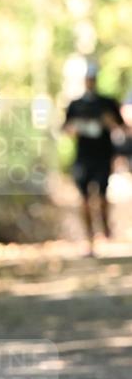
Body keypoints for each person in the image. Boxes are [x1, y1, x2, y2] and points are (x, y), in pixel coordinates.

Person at [63, 64, 125, 253]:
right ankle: (89, 238)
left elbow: (121, 128)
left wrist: (109, 122)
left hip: (103, 156)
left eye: (93, 78)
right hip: (83, 158)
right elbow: (65, 130)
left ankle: (105, 229)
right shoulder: (75, 104)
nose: (90, 82)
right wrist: (74, 128)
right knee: (84, 200)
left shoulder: (107, 103)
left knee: (102, 197)